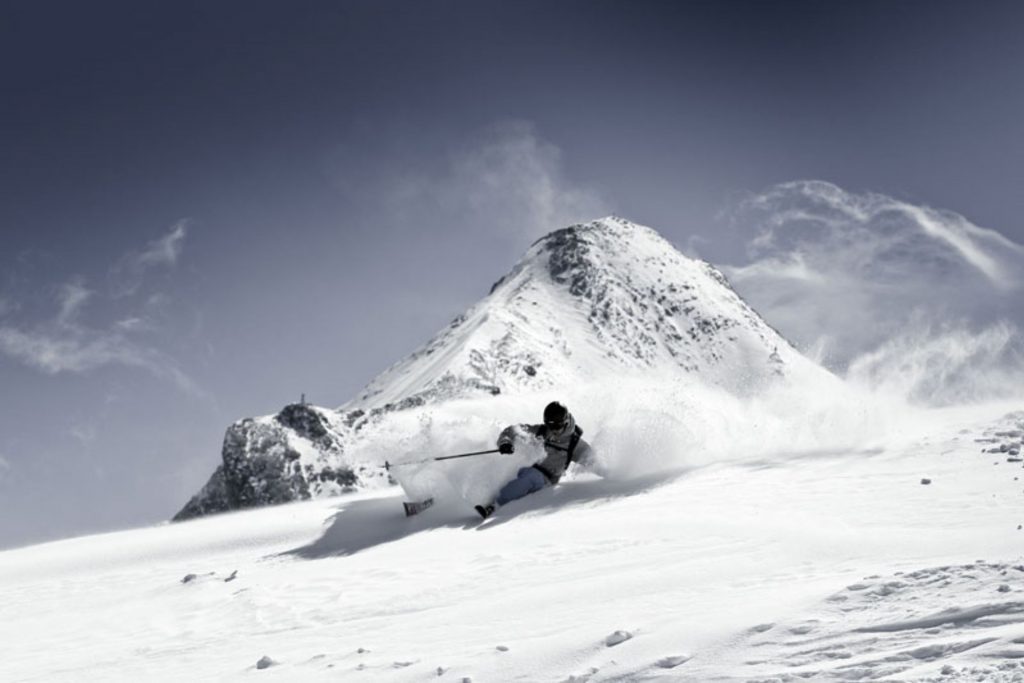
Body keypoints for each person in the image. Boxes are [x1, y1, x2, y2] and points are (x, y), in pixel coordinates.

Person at [474, 401, 598, 519]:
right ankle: (482, 497)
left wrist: (612, 476)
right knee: (512, 470)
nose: (553, 430)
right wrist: (505, 442)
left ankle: (494, 506)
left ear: (565, 422)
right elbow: (513, 430)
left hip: (546, 480)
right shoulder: (541, 431)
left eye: (557, 426)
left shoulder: (574, 443)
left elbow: (594, 461)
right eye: (550, 425)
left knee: (531, 477)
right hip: (525, 469)